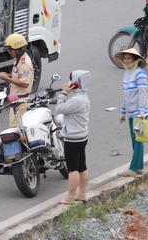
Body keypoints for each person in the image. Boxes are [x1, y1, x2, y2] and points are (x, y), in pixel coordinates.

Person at [56, 70, 91, 205]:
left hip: (73, 138)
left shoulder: (76, 100)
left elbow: (59, 108)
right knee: (82, 166)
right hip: (82, 136)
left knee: (72, 169)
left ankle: (70, 197)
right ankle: (81, 194)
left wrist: (64, 93)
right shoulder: (84, 97)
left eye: (72, 80)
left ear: (77, 83)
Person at [115, 48, 148, 178]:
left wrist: (142, 111)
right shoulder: (127, 74)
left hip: (138, 113)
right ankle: (139, 166)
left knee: (137, 140)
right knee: (135, 140)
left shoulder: (140, 74)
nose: (126, 61)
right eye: (125, 59)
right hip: (130, 112)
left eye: (129, 59)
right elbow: (126, 95)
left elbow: (142, 93)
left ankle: (133, 168)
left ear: (135, 60)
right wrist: (122, 111)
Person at [0, 33, 34, 127]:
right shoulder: (18, 59)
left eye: (11, 50)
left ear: (18, 49)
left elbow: (25, 83)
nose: (9, 52)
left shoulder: (25, 63)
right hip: (16, 101)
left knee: (15, 129)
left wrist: (8, 79)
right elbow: (17, 76)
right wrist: (8, 75)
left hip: (21, 102)